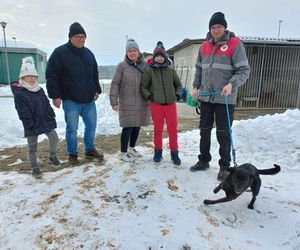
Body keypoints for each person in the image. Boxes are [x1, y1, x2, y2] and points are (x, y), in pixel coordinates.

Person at [190, 12, 250, 180]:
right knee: (204, 131)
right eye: (213, 27)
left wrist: (232, 84)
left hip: (224, 99)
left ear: (225, 27)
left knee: (223, 133)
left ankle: (225, 166)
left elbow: (244, 70)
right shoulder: (204, 46)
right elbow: (199, 70)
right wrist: (195, 87)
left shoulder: (234, 44)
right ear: (210, 28)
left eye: (219, 27)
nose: (216, 30)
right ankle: (203, 160)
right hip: (206, 97)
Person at [46, 22, 103, 165]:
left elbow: (94, 73)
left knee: (91, 126)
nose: (81, 39)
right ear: (70, 37)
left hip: (89, 100)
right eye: (77, 36)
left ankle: (89, 149)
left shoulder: (89, 54)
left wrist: (97, 89)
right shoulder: (59, 53)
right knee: (72, 128)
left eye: (83, 37)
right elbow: (52, 75)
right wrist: (55, 95)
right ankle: (72, 154)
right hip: (71, 100)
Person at [11, 57, 60, 178]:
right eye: (29, 76)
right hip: (32, 124)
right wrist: (29, 123)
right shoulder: (20, 93)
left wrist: (50, 114)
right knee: (32, 147)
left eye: (34, 76)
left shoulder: (39, 90)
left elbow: (46, 104)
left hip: (45, 120)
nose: (32, 79)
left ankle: (52, 156)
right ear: (23, 78)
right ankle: (35, 168)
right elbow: (22, 111)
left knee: (54, 137)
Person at [141, 41, 182, 165]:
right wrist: (150, 97)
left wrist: (177, 94)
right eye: (157, 56)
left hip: (170, 105)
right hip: (156, 105)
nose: (159, 58)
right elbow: (144, 87)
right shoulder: (149, 71)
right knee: (158, 130)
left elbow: (178, 84)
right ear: (154, 57)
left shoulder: (171, 71)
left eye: (161, 56)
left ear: (165, 57)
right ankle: (157, 152)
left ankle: (174, 153)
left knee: (172, 130)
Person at [110, 39, 150, 162]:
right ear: (126, 53)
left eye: (134, 50)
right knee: (127, 127)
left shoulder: (144, 66)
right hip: (127, 101)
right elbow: (115, 83)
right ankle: (123, 152)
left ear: (138, 52)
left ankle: (131, 148)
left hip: (141, 101)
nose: (132, 53)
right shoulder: (122, 66)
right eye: (130, 51)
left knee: (137, 125)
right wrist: (113, 100)